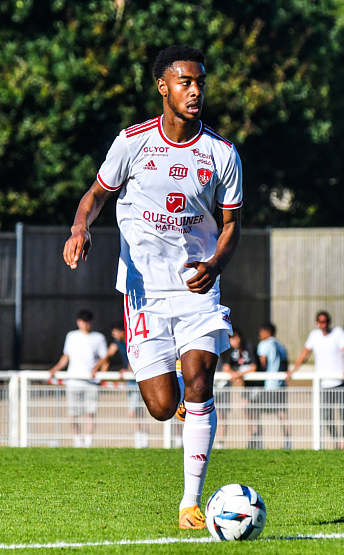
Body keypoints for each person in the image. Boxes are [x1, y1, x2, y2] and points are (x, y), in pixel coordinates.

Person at [61, 44, 242, 529]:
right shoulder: (132, 142)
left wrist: (217, 263)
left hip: (197, 289)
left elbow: (231, 225)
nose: (195, 90)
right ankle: (184, 402)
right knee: (162, 407)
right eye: (185, 82)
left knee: (201, 377)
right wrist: (81, 228)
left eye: (200, 81)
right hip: (143, 291)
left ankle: (190, 503)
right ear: (163, 87)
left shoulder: (222, 153)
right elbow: (96, 195)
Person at [287, 311, 344, 449]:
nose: (323, 325)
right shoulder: (314, 336)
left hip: (339, 382)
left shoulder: (338, 333)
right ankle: (335, 441)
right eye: (320, 322)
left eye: (325, 321)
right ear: (317, 323)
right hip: (323, 384)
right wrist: (293, 370)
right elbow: (304, 354)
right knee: (327, 415)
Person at [48, 310, 108, 448]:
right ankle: (77, 439)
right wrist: (55, 369)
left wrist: (100, 373)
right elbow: (66, 356)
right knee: (72, 413)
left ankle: (88, 441)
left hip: (90, 382)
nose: (85, 325)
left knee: (90, 413)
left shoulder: (98, 338)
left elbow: (104, 358)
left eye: (87, 322)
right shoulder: (71, 336)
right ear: (78, 322)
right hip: (73, 380)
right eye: (82, 321)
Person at [96, 322, 149, 449]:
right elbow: (107, 356)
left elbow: (136, 357)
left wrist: (127, 370)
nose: (113, 334)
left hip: (140, 379)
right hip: (131, 381)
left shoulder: (134, 341)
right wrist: (98, 369)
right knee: (135, 412)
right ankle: (140, 437)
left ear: (122, 331)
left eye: (115, 331)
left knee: (137, 411)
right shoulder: (117, 343)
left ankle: (143, 437)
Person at [254, 323, 291, 450]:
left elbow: (262, 364)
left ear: (266, 331)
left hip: (269, 384)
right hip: (280, 383)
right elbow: (286, 364)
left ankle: (257, 441)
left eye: (261, 331)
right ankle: (288, 442)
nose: (259, 334)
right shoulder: (281, 345)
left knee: (255, 411)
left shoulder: (264, 344)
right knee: (282, 414)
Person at [220, 329, 258, 448]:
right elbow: (226, 367)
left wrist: (239, 375)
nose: (234, 341)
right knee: (245, 408)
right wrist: (234, 374)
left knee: (255, 411)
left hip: (255, 385)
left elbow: (254, 367)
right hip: (245, 388)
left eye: (236, 338)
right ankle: (251, 436)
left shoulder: (249, 348)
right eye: (231, 339)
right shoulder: (231, 352)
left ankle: (256, 437)